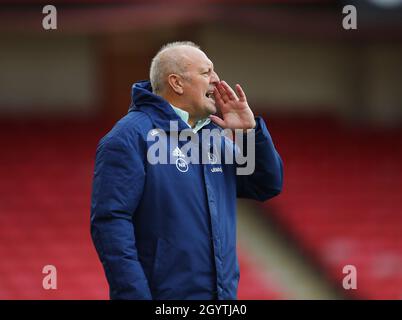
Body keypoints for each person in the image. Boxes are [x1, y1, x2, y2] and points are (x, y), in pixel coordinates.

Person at [90, 41, 283, 300]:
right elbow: (110, 224)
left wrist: (249, 133)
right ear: (176, 83)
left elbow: (265, 185)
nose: (216, 80)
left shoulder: (214, 136)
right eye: (206, 73)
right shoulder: (128, 138)